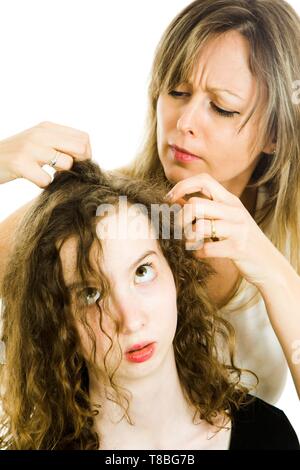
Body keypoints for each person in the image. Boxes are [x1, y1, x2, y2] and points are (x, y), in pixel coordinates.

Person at [0, 0, 300, 404]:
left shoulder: (290, 232)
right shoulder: (102, 212)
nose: (184, 123)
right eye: (177, 91)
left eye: (222, 108)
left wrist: (271, 270)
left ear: (276, 134)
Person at [0, 161, 298, 450]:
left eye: (142, 272)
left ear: (176, 276)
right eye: (91, 294)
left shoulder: (268, 435)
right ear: (58, 319)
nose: (130, 320)